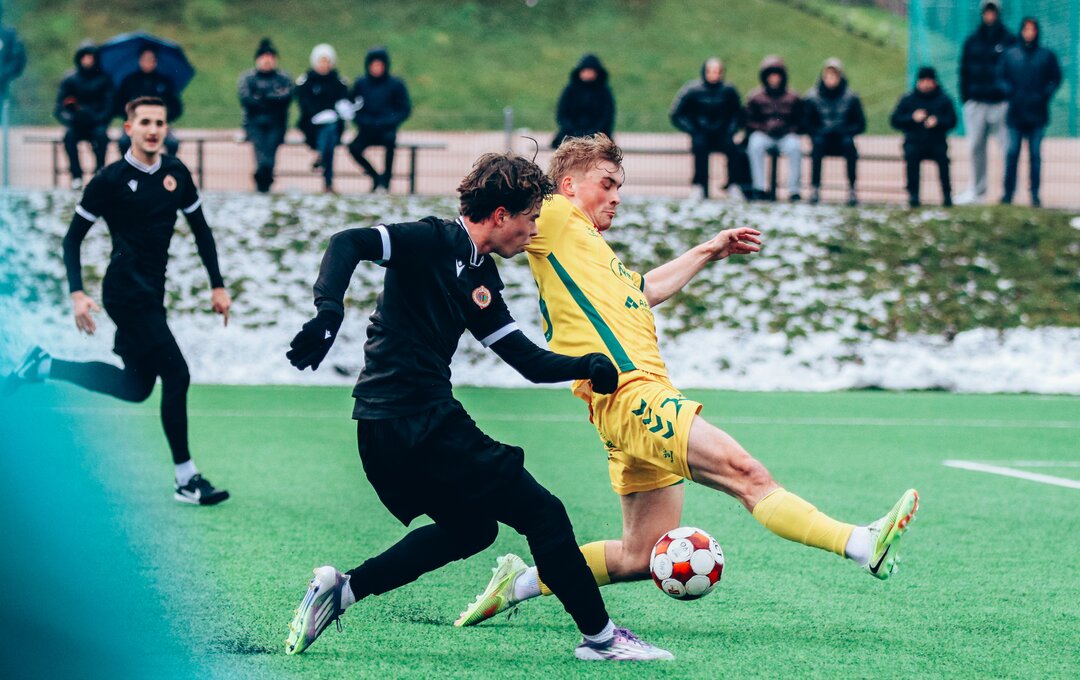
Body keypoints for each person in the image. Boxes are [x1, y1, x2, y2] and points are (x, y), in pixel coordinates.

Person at [455, 134, 919, 628]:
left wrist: (708, 249)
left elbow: (644, 289)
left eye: (619, 187)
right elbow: (496, 207)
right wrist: (442, 246)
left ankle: (518, 583)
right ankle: (860, 543)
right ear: (568, 185)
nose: (616, 196)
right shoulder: (551, 214)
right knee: (746, 473)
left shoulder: (591, 249)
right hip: (630, 393)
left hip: (628, 401)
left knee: (640, 554)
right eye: (606, 184)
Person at [282, 152, 671, 662]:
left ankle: (344, 589)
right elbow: (348, 242)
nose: (535, 231)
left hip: (387, 431)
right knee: (544, 514)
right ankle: (602, 640)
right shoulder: (432, 239)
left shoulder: (480, 276)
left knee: (471, 530)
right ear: (502, 215)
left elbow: (527, 360)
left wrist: (589, 364)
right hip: (415, 422)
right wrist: (328, 312)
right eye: (531, 218)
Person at [5, 96, 232, 505]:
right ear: (129, 128)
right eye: (145, 122)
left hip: (152, 293)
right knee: (177, 374)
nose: (153, 129)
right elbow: (72, 239)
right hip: (125, 293)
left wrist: (217, 285)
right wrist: (77, 294)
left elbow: (202, 231)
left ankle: (43, 365)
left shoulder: (177, 174)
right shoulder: (109, 180)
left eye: (159, 122)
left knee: (135, 387)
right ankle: (186, 479)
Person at [956, 0, 1016, 205]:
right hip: (977, 102)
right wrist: (966, 97)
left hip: (1000, 104)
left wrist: (1007, 95)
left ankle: (1008, 193)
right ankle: (977, 191)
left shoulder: (1008, 40)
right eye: (987, 11)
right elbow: (963, 71)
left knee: (1006, 148)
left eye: (993, 11)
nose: (990, 15)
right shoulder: (972, 41)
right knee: (975, 147)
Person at [998, 17, 1061, 207]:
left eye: (1032, 29)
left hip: (1037, 113)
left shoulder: (1046, 56)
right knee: (1012, 153)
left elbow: (1055, 78)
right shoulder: (1011, 55)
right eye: (1026, 29)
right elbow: (1000, 77)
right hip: (1016, 113)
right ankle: (1008, 193)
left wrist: (1044, 95)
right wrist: (1011, 93)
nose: (1029, 33)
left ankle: (1034, 194)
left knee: (1035, 155)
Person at [669, 57, 749, 201]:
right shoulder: (692, 90)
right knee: (699, 148)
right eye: (711, 71)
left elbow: (738, 114)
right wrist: (693, 129)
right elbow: (676, 114)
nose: (714, 74)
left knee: (733, 149)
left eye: (717, 71)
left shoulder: (729, 91)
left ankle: (733, 184)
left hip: (722, 133)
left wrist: (731, 130)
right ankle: (699, 185)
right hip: (701, 133)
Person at [346, 46, 411, 193]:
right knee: (353, 148)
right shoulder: (361, 83)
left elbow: (404, 109)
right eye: (374, 65)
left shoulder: (395, 84)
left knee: (390, 143)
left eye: (380, 65)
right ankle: (375, 176)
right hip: (367, 129)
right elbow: (351, 106)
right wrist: (363, 121)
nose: (377, 68)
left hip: (386, 128)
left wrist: (388, 121)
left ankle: (386, 181)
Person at [890, 66, 957, 208]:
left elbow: (952, 121)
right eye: (923, 81)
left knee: (943, 159)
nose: (926, 84)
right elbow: (895, 120)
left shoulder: (944, 100)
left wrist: (938, 122)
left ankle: (947, 195)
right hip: (914, 143)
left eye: (929, 80)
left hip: (937, 143)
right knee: (911, 156)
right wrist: (912, 118)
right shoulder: (908, 99)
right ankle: (913, 195)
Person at [802, 57, 866, 206]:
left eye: (834, 75)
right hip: (822, 138)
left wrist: (846, 131)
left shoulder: (851, 97)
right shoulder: (812, 97)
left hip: (842, 139)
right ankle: (815, 188)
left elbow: (860, 124)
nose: (831, 79)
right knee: (817, 146)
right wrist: (818, 132)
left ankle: (852, 188)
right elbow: (806, 122)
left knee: (849, 146)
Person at [55, 42, 114, 190]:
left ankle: (100, 172)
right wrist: (71, 118)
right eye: (85, 57)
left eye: (91, 57)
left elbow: (109, 107)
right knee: (69, 137)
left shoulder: (104, 80)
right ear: (79, 58)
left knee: (101, 136)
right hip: (76, 123)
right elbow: (59, 107)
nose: (88, 61)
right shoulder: (70, 80)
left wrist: (95, 118)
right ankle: (76, 176)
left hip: (96, 123)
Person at [238, 38, 293, 193]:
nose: (267, 61)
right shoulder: (248, 78)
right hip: (255, 123)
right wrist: (272, 98)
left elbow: (286, 98)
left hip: (276, 123)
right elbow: (247, 100)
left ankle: (263, 185)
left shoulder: (283, 78)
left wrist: (261, 97)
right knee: (262, 158)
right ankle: (263, 185)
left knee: (269, 158)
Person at [296, 43, 352, 194]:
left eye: (326, 61)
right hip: (311, 126)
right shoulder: (306, 81)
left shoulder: (338, 82)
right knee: (329, 136)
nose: (324, 65)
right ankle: (328, 181)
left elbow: (344, 103)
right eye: (321, 61)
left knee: (330, 131)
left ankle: (321, 155)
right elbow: (304, 105)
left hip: (333, 126)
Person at [745, 55, 803, 201]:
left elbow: (800, 120)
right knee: (755, 144)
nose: (774, 79)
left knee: (795, 146)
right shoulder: (755, 97)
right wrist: (764, 127)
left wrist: (787, 129)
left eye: (777, 75)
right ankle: (759, 187)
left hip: (785, 135)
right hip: (764, 134)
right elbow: (748, 120)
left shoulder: (793, 97)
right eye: (771, 75)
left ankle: (794, 190)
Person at [115, 47, 182, 156]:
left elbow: (176, 106)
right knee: (123, 142)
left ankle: (167, 165)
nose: (148, 63)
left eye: (151, 60)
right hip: (135, 122)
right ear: (140, 61)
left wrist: (164, 115)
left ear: (155, 62)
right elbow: (118, 104)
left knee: (172, 143)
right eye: (145, 59)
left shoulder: (164, 82)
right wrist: (127, 111)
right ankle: (128, 165)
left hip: (159, 122)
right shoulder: (130, 81)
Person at [552, 54, 615, 148]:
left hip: (597, 136)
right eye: (585, 71)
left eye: (590, 71)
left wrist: (593, 133)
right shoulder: (570, 90)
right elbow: (562, 114)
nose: (587, 74)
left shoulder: (604, 92)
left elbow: (607, 117)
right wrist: (573, 132)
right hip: (570, 134)